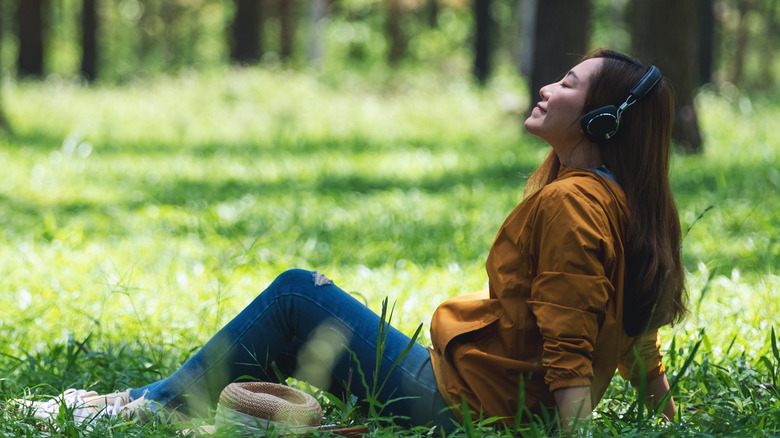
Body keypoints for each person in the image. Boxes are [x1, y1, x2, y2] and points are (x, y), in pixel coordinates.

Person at [17, 49, 687, 432]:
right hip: (477, 395)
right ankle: (135, 401)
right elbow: (636, 328)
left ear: (603, 118)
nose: (547, 87)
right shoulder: (619, 202)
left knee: (295, 295)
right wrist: (666, 415)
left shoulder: (575, 204)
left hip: (462, 407)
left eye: (568, 84)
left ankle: (133, 411)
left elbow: (572, 335)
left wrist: (565, 432)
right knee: (301, 301)